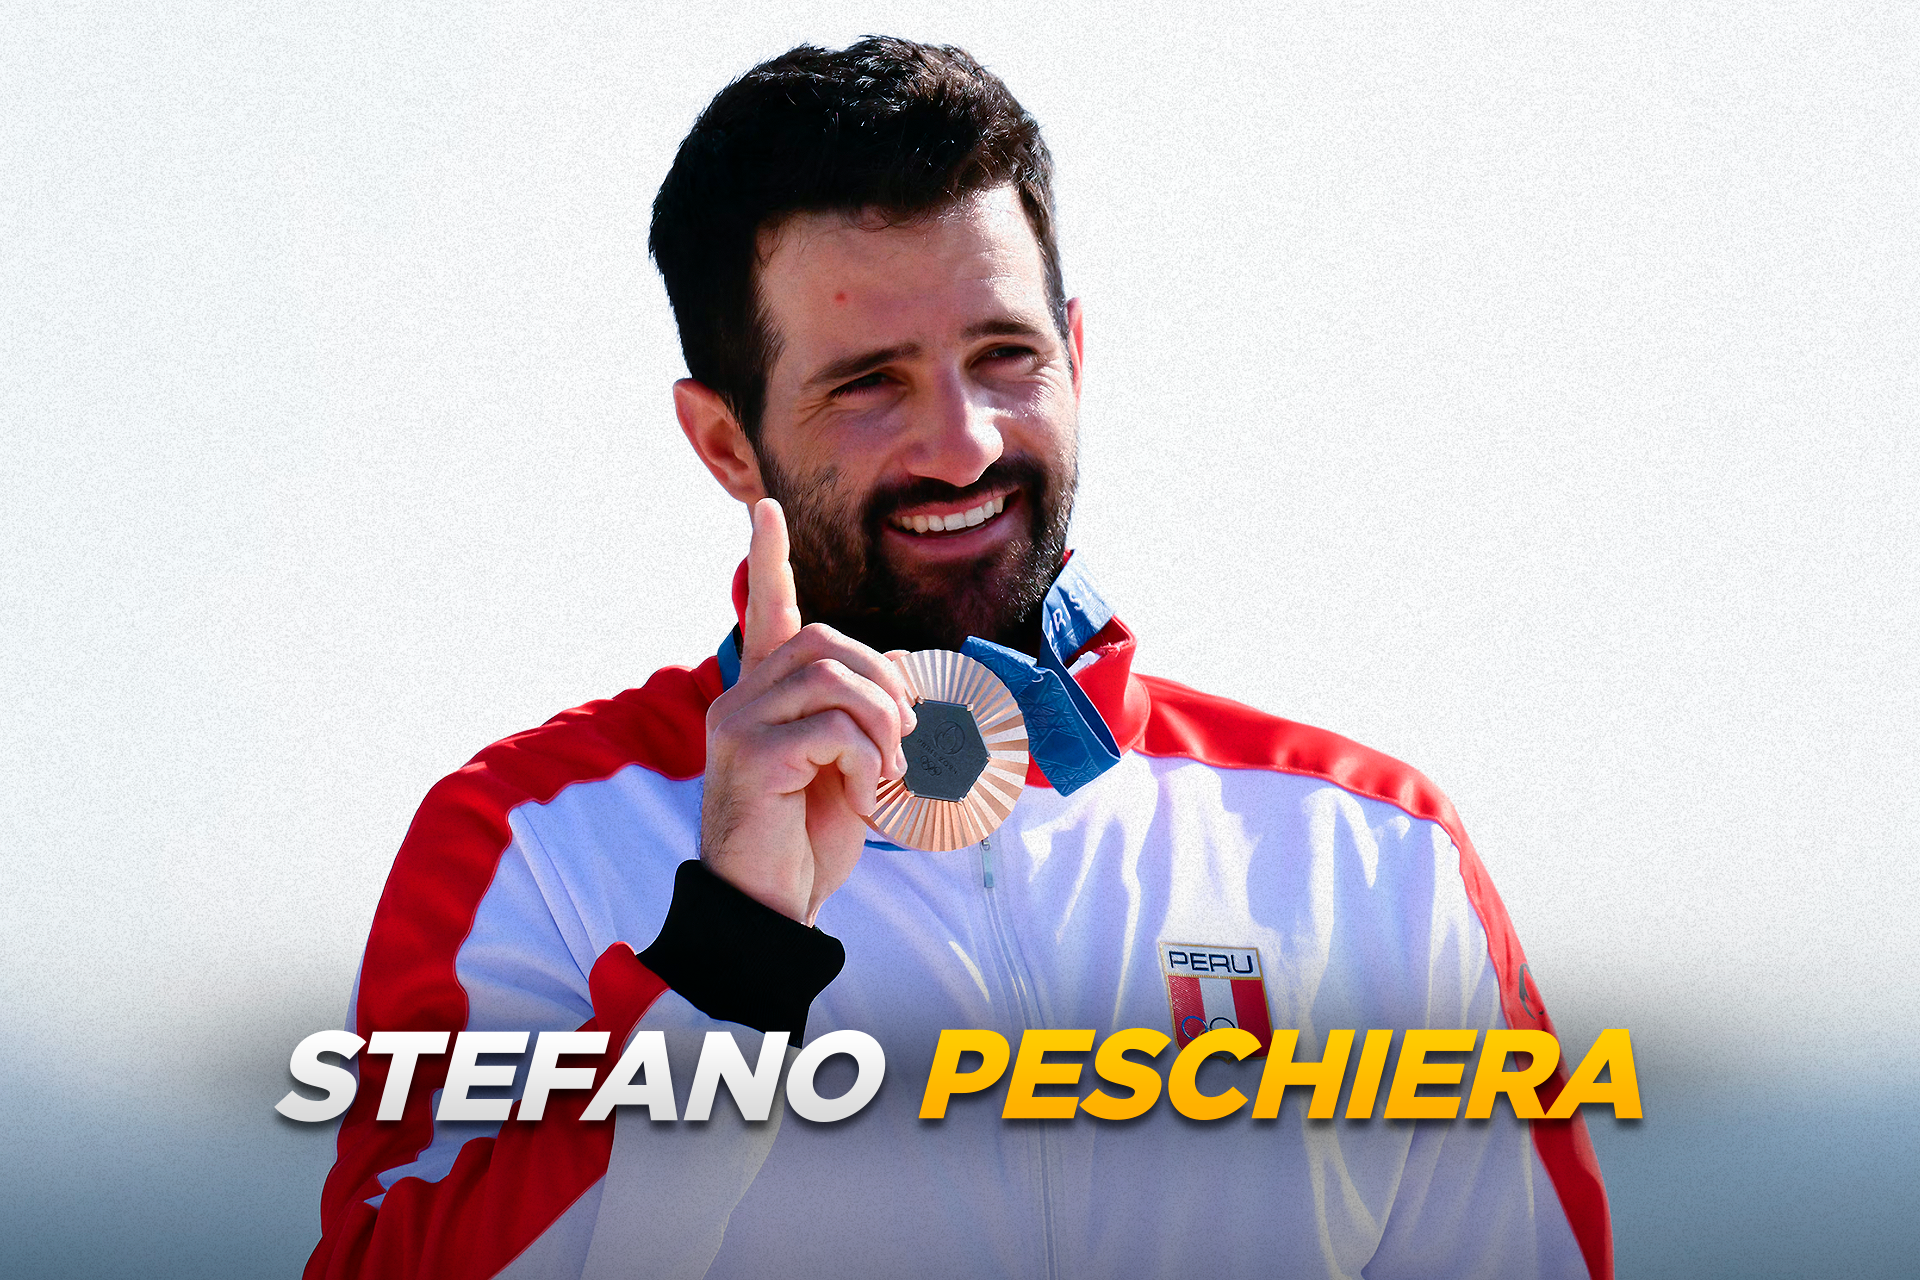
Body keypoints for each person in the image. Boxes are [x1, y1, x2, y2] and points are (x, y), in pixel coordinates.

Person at [309, 36, 1611, 1280]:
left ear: (1077, 355)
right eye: (869, 383)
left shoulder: (1365, 852)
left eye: (1005, 356)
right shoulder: (535, 845)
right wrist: (729, 959)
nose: (965, 444)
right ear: (725, 444)